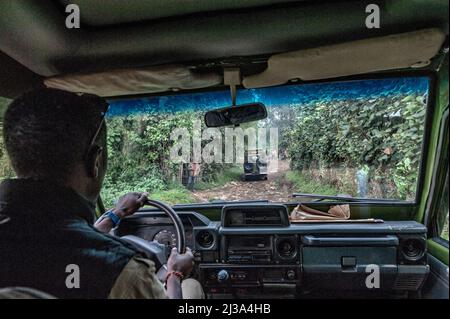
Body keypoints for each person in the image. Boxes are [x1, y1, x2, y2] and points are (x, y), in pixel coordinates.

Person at [0, 88, 203, 299]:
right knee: (191, 286)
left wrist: (115, 215)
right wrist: (175, 275)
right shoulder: (123, 272)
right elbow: (71, 245)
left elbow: (56, 243)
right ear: (95, 162)